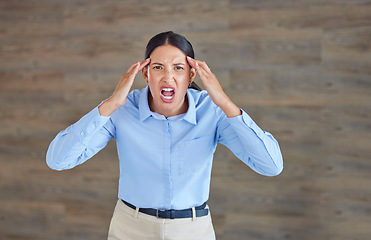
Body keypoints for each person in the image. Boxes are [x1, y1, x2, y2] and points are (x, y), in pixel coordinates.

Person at [46, 31, 283, 240]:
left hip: (192, 231)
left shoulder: (212, 110)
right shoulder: (122, 109)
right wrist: (110, 104)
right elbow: (58, 160)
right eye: (158, 67)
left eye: (178, 68)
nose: (168, 77)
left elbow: (271, 165)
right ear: (146, 74)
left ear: (191, 76)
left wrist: (223, 101)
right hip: (131, 228)